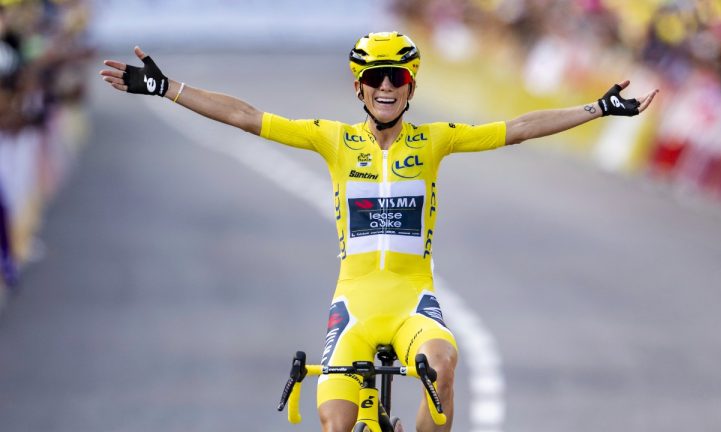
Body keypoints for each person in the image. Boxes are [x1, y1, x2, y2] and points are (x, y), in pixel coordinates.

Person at [99, 31, 658, 432]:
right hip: (355, 306)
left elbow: (517, 129)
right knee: (334, 422)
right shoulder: (333, 139)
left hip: (413, 300)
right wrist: (167, 87)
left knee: (443, 364)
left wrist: (596, 107)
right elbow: (247, 116)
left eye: (398, 77)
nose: (386, 86)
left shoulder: (434, 140)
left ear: (410, 86)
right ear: (359, 87)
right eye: (375, 77)